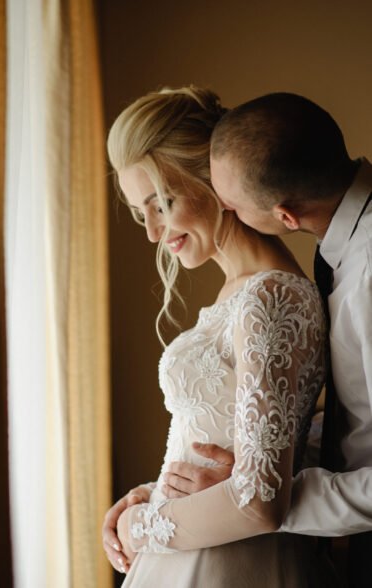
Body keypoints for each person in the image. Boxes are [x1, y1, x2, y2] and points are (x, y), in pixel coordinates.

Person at [102, 86, 330, 586]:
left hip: (229, 564)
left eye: (161, 203)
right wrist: (149, 493)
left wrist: (141, 526)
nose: (153, 232)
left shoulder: (270, 297)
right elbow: (225, 442)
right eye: (143, 213)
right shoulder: (237, 293)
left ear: (208, 178)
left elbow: (259, 503)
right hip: (191, 548)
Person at [160, 93, 372, 587]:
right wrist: (264, 457)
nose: (222, 212)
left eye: (229, 204)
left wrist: (264, 493)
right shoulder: (340, 247)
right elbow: (360, 421)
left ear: (285, 216)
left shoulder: (364, 278)